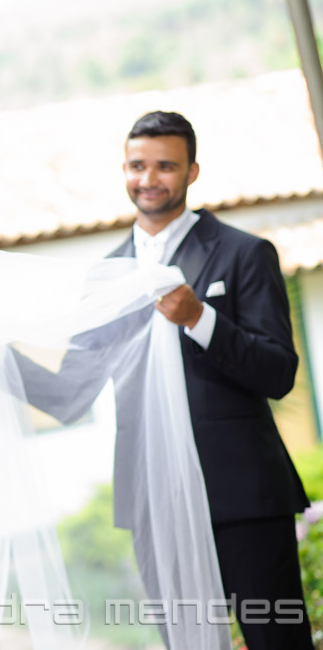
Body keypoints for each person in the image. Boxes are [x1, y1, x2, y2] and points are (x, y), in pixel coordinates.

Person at [111, 111, 312, 649]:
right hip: (156, 503)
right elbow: (72, 385)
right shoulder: (108, 275)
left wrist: (201, 318)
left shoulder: (245, 253)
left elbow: (279, 372)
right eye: (137, 165)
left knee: (278, 642)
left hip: (245, 499)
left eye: (166, 166)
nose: (149, 178)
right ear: (124, 169)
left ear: (192, 172)